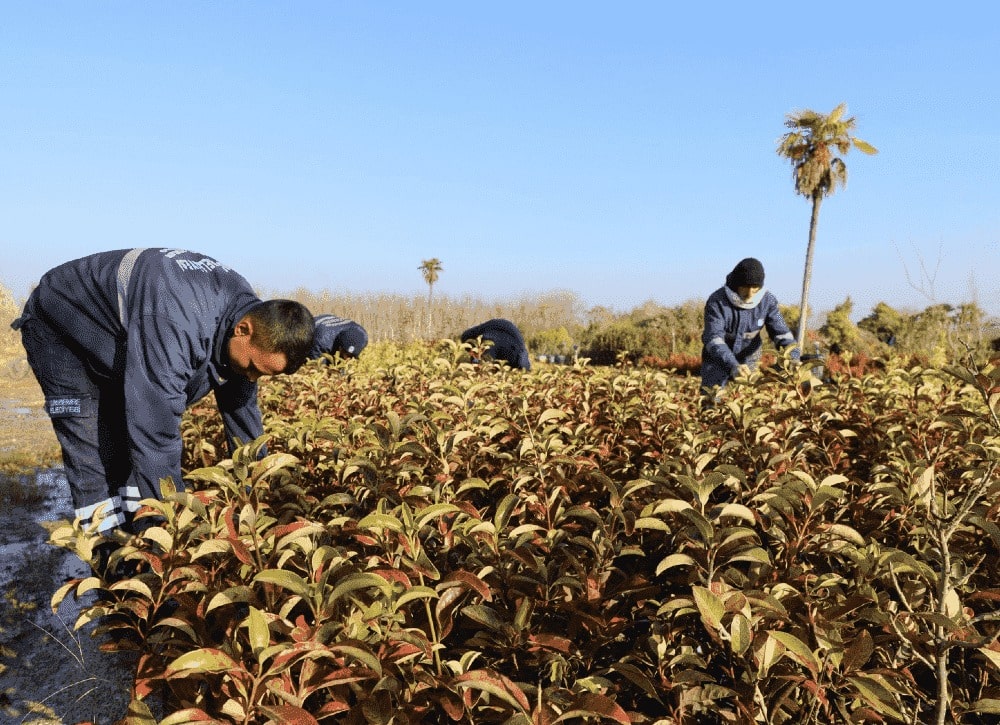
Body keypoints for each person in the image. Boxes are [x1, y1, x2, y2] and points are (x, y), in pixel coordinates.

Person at [11, 248, 315, 536]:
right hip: (62, 327)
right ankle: (105, 557)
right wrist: (175, 520)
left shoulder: (244, 311)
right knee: (93, 446)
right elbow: (155, 429)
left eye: (261, 373)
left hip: (119, 334)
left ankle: (140, 539)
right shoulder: (178, 320)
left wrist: (255, 490)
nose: (250, 377)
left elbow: (242, 412)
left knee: (128, 445)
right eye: (250, 366)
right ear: (243, 330)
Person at [700, 257, 799, 402]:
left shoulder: (768, 301)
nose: (750, 293)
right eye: (745, 287)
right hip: (717, 358)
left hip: (749, 357)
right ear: (736, 285)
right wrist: (733, 365)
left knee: (747, 399)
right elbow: (713, 337)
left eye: (755, 288)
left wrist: (794, 357)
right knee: (712, 398)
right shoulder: (717, 301)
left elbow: (781, 332)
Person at [460, 318, 531, 371]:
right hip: (517, 355)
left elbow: (478, 365)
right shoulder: (489, 330)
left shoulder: (486, 339)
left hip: (511, 352)